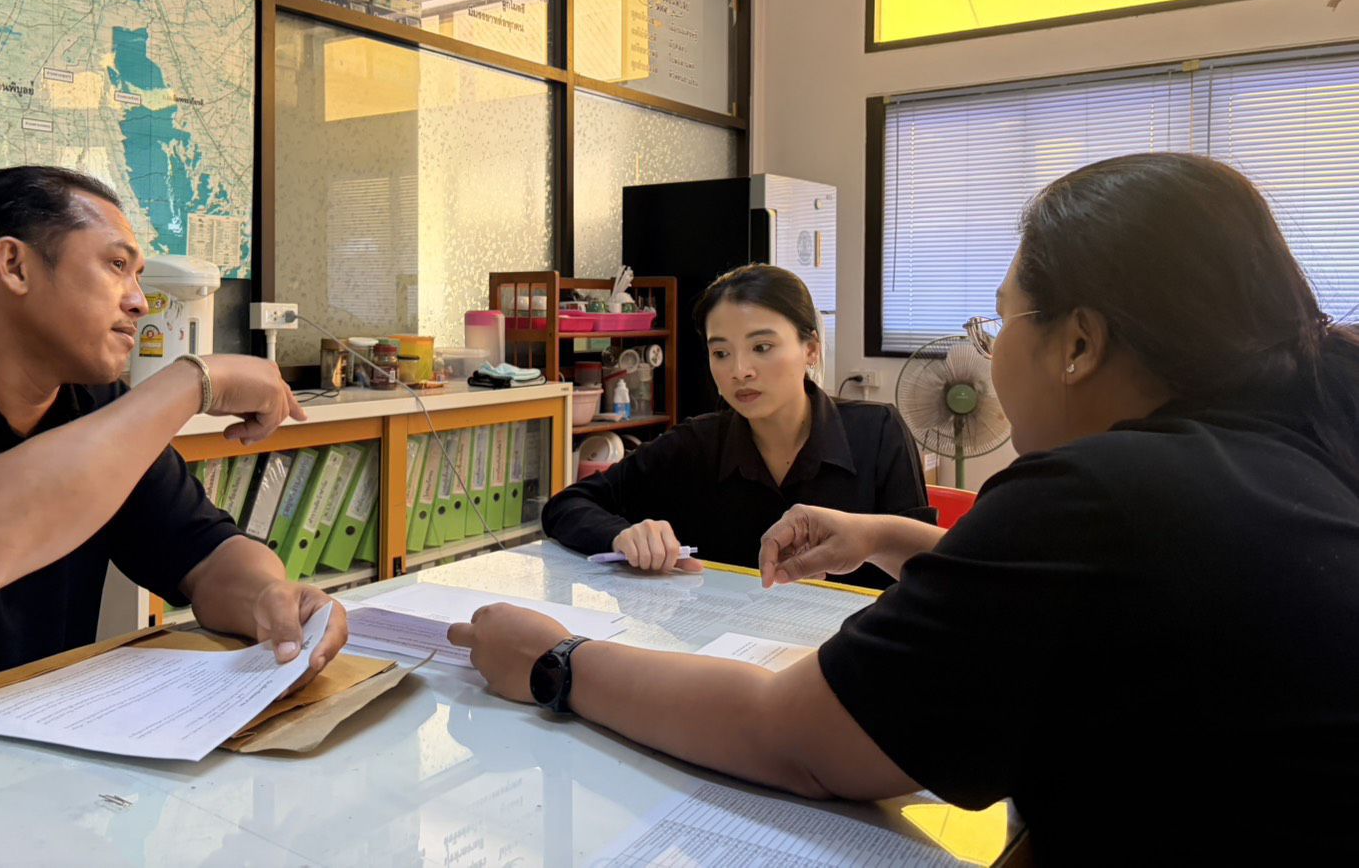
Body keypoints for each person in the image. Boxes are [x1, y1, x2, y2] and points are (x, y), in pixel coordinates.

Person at [450, 153, 1359, 861]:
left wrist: (557, 660)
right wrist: (891, 537)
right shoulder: (1298, 446)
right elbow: (1078, 605)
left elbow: (794, 739)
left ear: (1078, 344)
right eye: (720, 351)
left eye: (996, 324)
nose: (739, 370)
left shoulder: (1097, 494)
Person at [0, 166, 349, 704]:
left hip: (42, 732)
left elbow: (206, 553)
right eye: (117, 265)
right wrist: (193, 382)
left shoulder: (98, 408)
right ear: (14, 266)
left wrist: (271, 597)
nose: (140, 302)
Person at [541, 264, 932, 587]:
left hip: (849, 647)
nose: (740, 370)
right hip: (720, 647)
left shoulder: (877, 433)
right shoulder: (694, 444)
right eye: (721, 352)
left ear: (810, 349)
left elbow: (926, 572)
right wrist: (621, 535)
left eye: (762, 347)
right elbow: (566, 505)